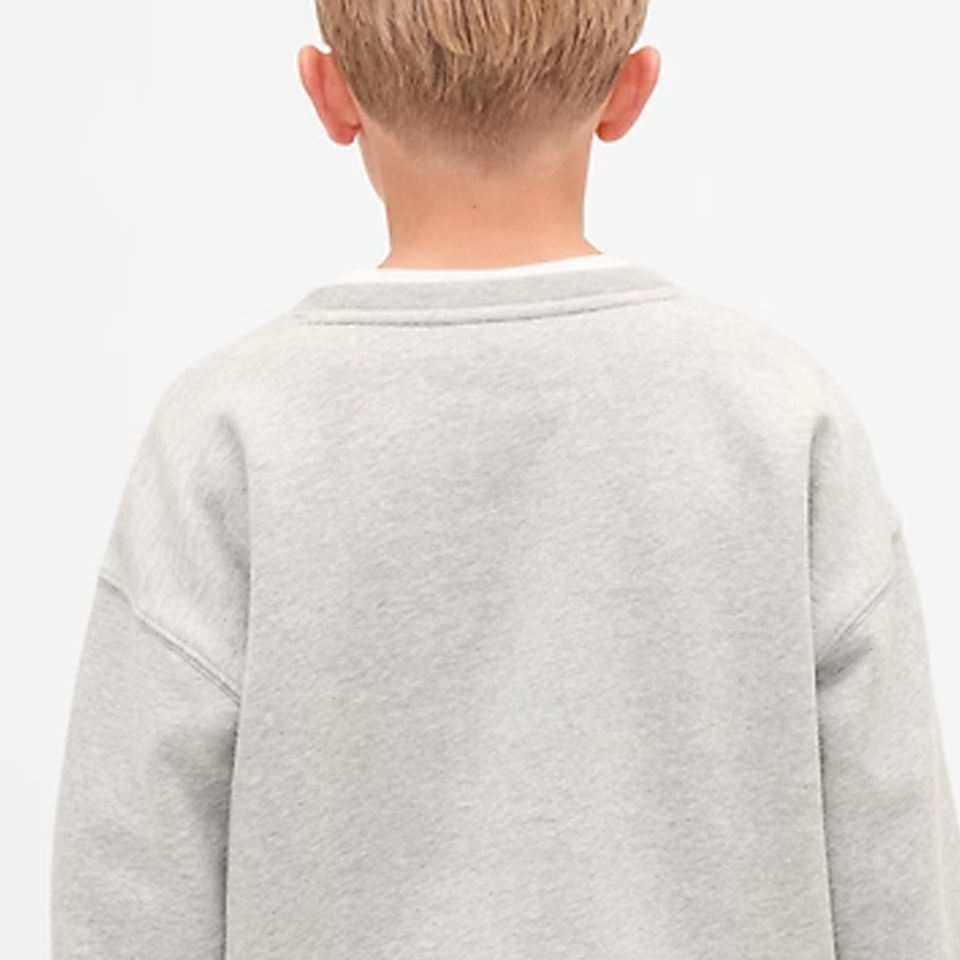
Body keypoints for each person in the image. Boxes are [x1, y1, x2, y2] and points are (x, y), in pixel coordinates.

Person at [50, 2, 960, 958]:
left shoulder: (227, 430)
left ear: (329, 92)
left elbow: (130, 881)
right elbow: (895, 858)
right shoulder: (777, 414)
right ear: (630, 90)